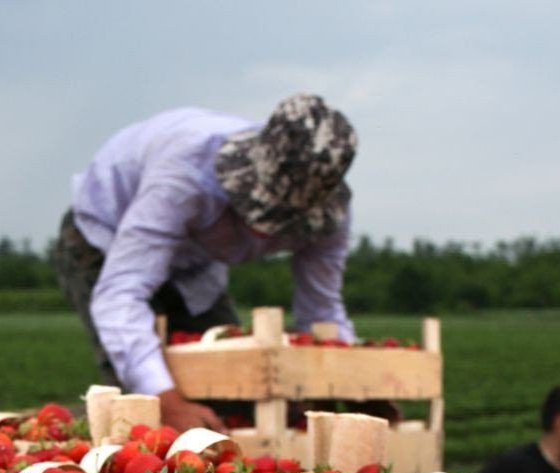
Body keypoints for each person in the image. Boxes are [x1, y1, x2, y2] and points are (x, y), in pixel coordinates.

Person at [50, 94, 358, 433]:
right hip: (105, 242)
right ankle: (56, 426)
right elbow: (121, 295)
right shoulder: (185, 173)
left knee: (235, 393)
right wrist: (167, 402)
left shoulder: (328, 215)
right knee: (145, 410)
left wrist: (355, 388)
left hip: (198, 266)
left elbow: (322, 311)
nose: (258, 232)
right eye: (256, 212)